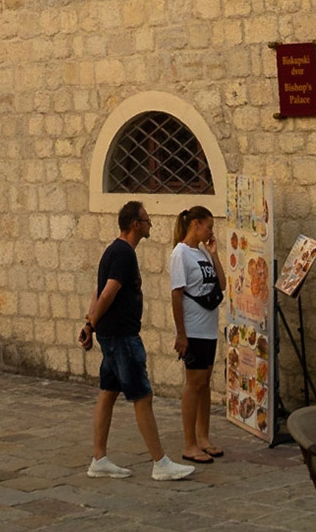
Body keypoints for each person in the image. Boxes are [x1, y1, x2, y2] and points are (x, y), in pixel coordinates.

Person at [79, 199, 194, 481]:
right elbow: (107, 292)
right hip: (121, 336)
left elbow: (98, 291)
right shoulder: (123, 253)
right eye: (146, 221)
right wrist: (92, 323)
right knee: (143, 395)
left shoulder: (113, 250)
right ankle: (160, 463)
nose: (149, 225)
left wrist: (90, 324)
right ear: (135, 224)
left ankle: (99, 459)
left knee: (108, 392)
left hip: (111, 333)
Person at [169, 205, 226, 463]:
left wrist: (214, 255)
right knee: (194, 383)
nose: (211, 231)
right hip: (193, 328)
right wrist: (181, 333)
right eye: (209, 226)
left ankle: (204, 438)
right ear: (195, 224)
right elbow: (176, 294)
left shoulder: (202, 252)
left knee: (205, 383)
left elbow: (221, 284)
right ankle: (189, 443)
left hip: (208, 328)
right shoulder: (180, 254)